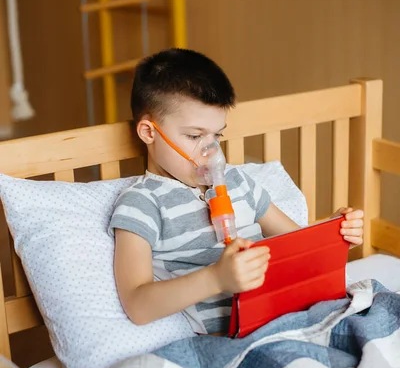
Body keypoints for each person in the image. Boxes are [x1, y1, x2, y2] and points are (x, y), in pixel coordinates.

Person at [110, 48, 364, 335]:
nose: (211, 150)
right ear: (149, 132)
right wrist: (216, 279)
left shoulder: (238, 182)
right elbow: (137, 305)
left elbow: (296, 244)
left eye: (217, 135)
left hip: (291, 316)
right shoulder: (142, 204)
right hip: (234, 338)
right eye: (194, 136)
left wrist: (333, 235)